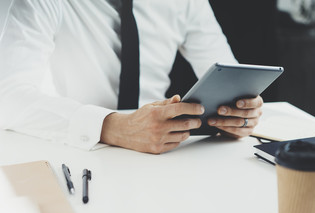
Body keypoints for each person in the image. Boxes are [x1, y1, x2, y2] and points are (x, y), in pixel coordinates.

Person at [0, 0, 263, 154]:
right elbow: (7, 95)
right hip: (79, 149)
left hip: (164, 150)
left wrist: (241, 112)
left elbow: (229, 75)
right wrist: (114, 127)